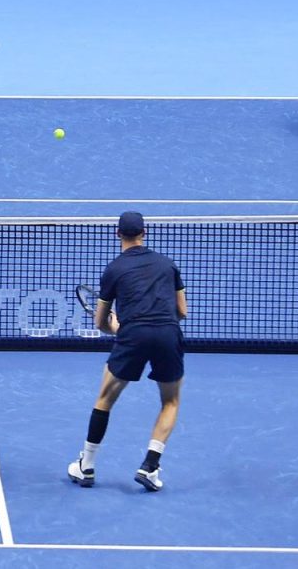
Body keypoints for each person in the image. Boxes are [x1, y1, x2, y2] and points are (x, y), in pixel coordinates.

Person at [67, 211, 187, 493]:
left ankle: (86, 466)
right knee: (170, 402)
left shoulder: (114, 270)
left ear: (118, 234)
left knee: (105, 399)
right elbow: (181, 311)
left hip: (133, 335)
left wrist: (119, 328)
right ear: (144, 233)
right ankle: (150, 465)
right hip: (168, 334)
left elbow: (101, 322)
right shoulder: (168, 265)